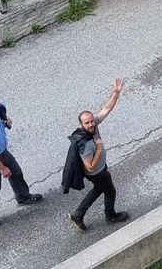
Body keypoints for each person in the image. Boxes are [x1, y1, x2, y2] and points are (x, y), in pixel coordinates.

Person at [0, 92, 43, 230]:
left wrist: (6, 122)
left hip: (3, 152)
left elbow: (2, 119)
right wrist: (2, 168)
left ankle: (23, 197)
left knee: (16, 173)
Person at [67, 77, 129, 231]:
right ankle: (111, 216)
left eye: (91, 121)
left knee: (99, 189)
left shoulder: (93, 125)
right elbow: (89, 166)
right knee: (110, 190)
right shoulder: (86, 144)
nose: (91, 124)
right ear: (81, 125)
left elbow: (106, 109)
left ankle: (78, 214)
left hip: (100, 168)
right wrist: (99, 149)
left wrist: (115, 93)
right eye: (87, 123)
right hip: (96, 172)